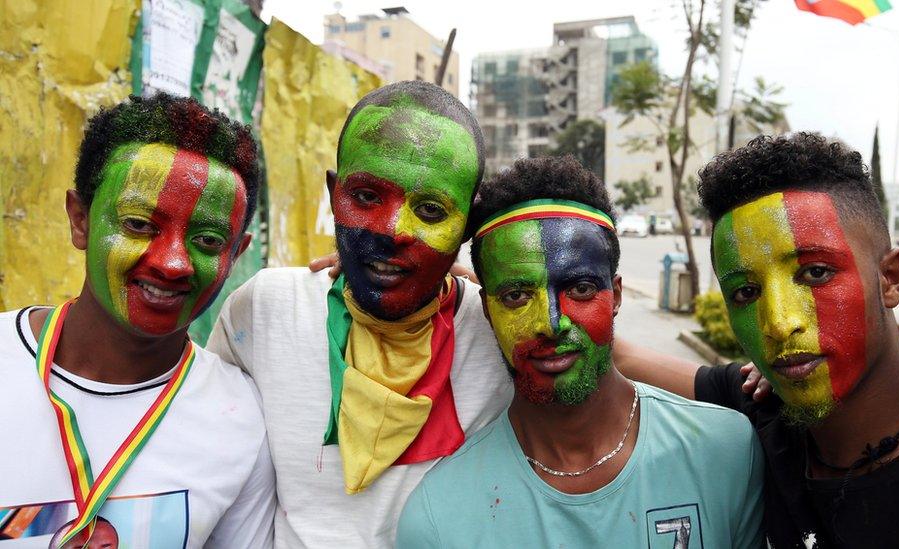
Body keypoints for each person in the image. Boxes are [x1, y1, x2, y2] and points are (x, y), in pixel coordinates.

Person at [207, 80, 698, 547]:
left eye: (431, 211)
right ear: (334, 194)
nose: (393, 230)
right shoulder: (266, 310)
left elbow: (613, 358)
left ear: (467, 221)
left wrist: (756, 381)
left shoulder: (500, 325)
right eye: (366, 197)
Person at [395, 156, 764, 548]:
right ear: (488, 308)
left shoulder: (726, 454)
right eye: (517, 295)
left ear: (616, 295)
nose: (550, 323)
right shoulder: (439, 517)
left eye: (581, 289)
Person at [633, 132, 899, 548]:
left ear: (890, 278)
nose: (778, 324)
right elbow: (617, 356)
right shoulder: (766, 409)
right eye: (745, 292)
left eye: (815, 273)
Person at [0, 94, 274, 548]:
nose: (173, 263)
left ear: (235, 255)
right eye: (140, 225)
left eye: (207, 239)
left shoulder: (242, 421)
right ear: (80, 220)